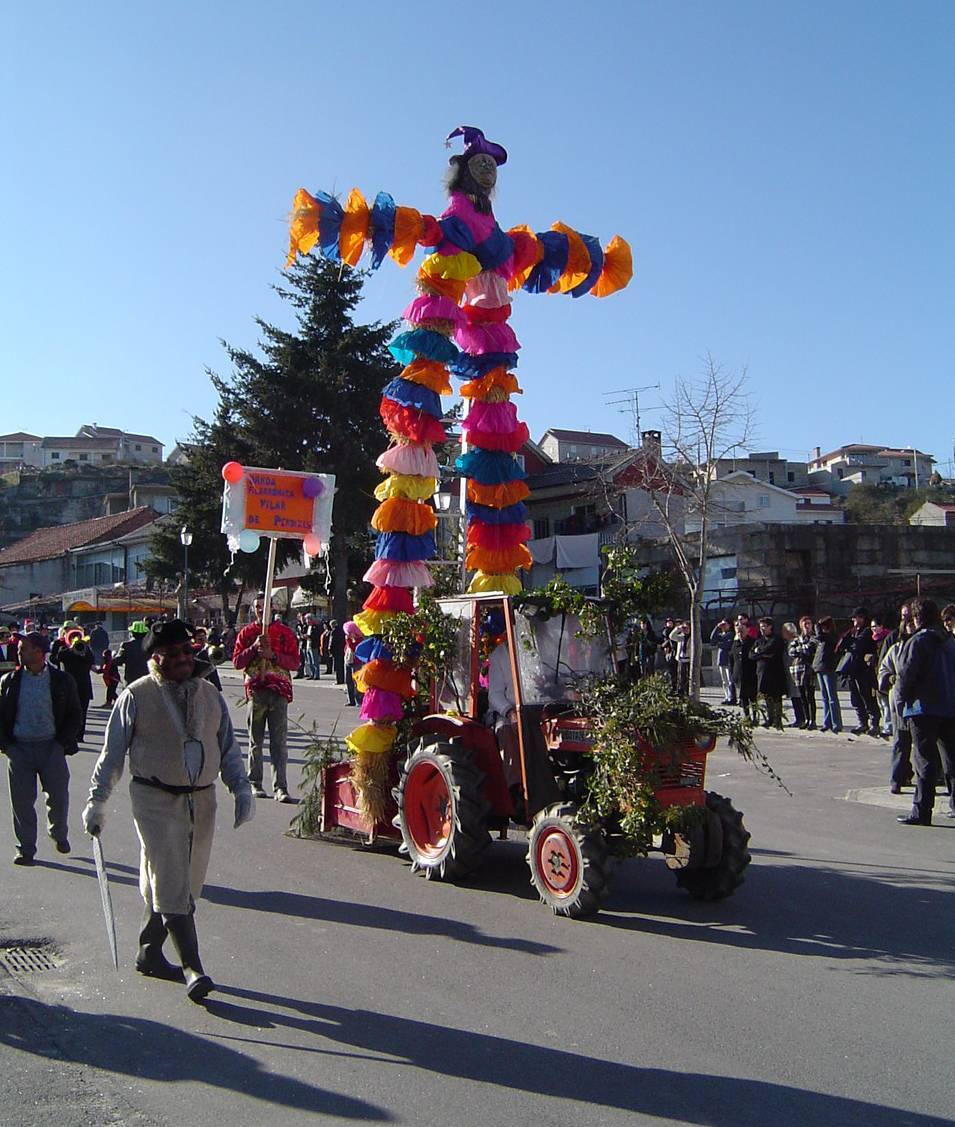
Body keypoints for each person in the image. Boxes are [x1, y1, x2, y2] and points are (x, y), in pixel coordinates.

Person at [83, 619, 254, 1001]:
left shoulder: (210, 694)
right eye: (172, 654)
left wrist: (241, 789)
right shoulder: (137, 695)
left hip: (201, 799)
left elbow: (228, 746)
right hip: (154, 799)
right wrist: (97, 801)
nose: (181, 659)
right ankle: (194, 968)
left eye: (186, 652)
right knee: (171, 878)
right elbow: (112, 753)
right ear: (156, 658)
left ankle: (149, 951)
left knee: (183, 882)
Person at [0, 631, 82, 864]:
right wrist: (7, 746)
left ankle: (58, 833)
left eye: (24, 648)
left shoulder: (61, 680)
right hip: (20, 750)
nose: (19, 650)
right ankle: (25, 849)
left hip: (51, 748)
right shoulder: (10, 681)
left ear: (38, 652)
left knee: (58, 798)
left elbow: (75, 714)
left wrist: (62, 743)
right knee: (22, 803)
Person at [232, 594, 300, 802]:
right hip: (257, 692)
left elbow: (295, 663)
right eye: (257, 607)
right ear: (254, 610)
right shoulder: (247, 633)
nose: (261, 610)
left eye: (265, 606)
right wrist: (254, 648)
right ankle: (255, 782)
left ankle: (281, 787)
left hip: (279, 693)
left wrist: (273, 656)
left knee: (279, 742)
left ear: (273, 608)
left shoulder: (285, 633)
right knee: (256, 741)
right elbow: (236, 661)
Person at [894, 599, 955, 826]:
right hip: (949, 706)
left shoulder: (918, 642)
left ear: (917, 618)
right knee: (951, 759)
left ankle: (922, 810)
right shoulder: (950, 642)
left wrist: (900, 704)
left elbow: (906, 676)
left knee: (925, 760)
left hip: (923, 708)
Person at [486, 636, 561, 819]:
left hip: (537, 708)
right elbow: (494, 695)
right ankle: (517, 792)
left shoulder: (537, 650)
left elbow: (550, 681)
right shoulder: (500, 655)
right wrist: (510, 712)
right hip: (508, 711)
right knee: (509, 735)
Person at [878, 617, 915, 793]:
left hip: (922, 702)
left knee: (925, 745)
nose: (911, 627)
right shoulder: (896, 649)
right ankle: (898, 778)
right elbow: (883, 670)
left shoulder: (929, 646)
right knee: (901, 741)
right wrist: (891, 679)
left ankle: (934, 778)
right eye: (908, 625)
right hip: (900, 702)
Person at [836, 607, 881, 736]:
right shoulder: (852, 632)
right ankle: (862, 722)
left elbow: (858, 645)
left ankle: (874, 723)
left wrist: (850, 644)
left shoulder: (867, 631)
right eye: (854, 618)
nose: (855, 620)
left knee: (868, 698)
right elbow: (841, 646)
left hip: (864, 671)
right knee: (855, 698)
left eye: (857, 617)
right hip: (852, 671)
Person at [50, 629, 95, 741]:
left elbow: (91, 660)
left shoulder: (86, 649)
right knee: (67, 711)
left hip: (83, 686)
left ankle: (80, 735)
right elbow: (59, 657)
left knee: (82, 712)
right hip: (68, 686)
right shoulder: (64, 650)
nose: (75, 640)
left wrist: (82, 651)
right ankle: (69, 734)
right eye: (72, 638)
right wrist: (71, 648)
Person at [751, 618, 786, 729]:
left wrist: (759, 652)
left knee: (776, 697)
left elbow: (771, 650)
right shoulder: (759, 640)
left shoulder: (776, 639)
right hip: (762, 673)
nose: (762, 629)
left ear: (770, 626)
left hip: (775, 672)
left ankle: (777, 719)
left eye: (764, 626)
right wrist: (761, 654)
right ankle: (770, 719)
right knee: (766, 697)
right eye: (761, 626)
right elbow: (751, 655)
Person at [812, 616, 843, 733]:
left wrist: (817, 625)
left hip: (828, 668)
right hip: (820, 667)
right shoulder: (823, 638)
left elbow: (820, 636)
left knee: (832, 697)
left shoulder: (831, 636)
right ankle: (827, 722)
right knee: (824, 697)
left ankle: (836, 723)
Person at [789, 617, 817, 729]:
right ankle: (806, 718)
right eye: (804, 624)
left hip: (809, 670)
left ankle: (812, 720)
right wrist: (800, 649)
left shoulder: (814, 638)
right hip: (798, 670)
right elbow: (791, 651)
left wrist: (800, 649)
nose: (806, 626)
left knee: (810, 695)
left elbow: (810, 650)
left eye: (808, 623)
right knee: (802, 696)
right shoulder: (797, 639)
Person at [731, 619, 758, 724]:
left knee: (753, 698)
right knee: (743, 697)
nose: (740, 633)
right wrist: (733, 674)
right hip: (739, 674)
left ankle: (755, 717)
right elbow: (732, 660)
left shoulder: (753, 642)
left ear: (747, 630)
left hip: (751, 674)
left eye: (742, 631)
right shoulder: (735, 644)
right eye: (738, 631)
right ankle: (747, 717)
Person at [780, 622, 807, 728]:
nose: (782, 633)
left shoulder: (796, 641)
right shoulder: (786, 642)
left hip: (796, 671)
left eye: (784, 631)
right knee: (793, 696)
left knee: (798, 696)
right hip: (789, 672)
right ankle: (798, 718)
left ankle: (802, 719)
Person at [115, 620, 150, 685]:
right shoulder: (150, 646)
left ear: (132, 633)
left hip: (131, 682)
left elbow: (118, 661)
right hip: (147, 681)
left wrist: (114, 654)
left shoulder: (126, 646)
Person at [710, 619, 736, 704]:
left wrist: (720, 643)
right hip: (721, 659)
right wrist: (717, 627)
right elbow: (712, 640)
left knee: (729, 680)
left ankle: (731, 697)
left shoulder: (731, 634)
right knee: (724, 681)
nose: (723, 626)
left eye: (725, 624)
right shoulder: (721, 634)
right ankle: (726, 696)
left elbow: (727, 645)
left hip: (728, 659)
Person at [192, 626, 223, 692]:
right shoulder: (192, 650)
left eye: (203, 636)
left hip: (210, 681)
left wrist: (217, 687)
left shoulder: (210, 648)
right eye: (199, 636)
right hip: (197, 683)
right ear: (195, 638)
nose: (201, 638)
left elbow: (214, 671)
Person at [343, 621, 362, 706]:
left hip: (356, 662)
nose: (349, 634)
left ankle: (358, 700)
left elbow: (353, 648)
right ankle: (350, 700)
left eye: (350, 632)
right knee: (348, 681)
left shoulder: (359, 640)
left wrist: (348, 640)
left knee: (356, 682)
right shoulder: (349, 640)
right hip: (348, 661)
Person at [668, 621, 690, 696]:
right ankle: (681, 692)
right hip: (681, 659)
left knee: (687, 677)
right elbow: (671, 636)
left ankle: (687, 692)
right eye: (684, 628)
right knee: (680, 677)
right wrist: (678, 628)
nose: (685, 629)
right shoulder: (681, 636)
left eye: (687, 628)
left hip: (689, 659)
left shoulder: (692, 637)